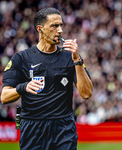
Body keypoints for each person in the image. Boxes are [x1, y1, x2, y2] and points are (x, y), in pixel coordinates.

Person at [1, 7, 93, 150]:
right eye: (55, 26)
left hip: (64, 129)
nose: (60, 30)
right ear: (40, 29)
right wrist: (23, 87)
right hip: (33, 129)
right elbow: (4, 97)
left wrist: (77, 60)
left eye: (61, 25)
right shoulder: (21, 58)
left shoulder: (70, 57)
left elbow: (86, 93)